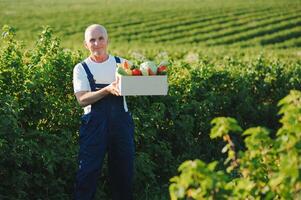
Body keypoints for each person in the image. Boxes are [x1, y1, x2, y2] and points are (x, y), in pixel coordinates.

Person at [73, 24, 135, 200]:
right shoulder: (81, 68)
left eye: (100, 38)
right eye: (92, 40)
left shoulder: (122, 64)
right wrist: (108, 89)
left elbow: (136, 87)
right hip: (94, 127)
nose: (97, 43)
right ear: (86, 44)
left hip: (121, 126)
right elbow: (82, 99)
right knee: (87, 173)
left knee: (124, 173)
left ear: (107, 40)